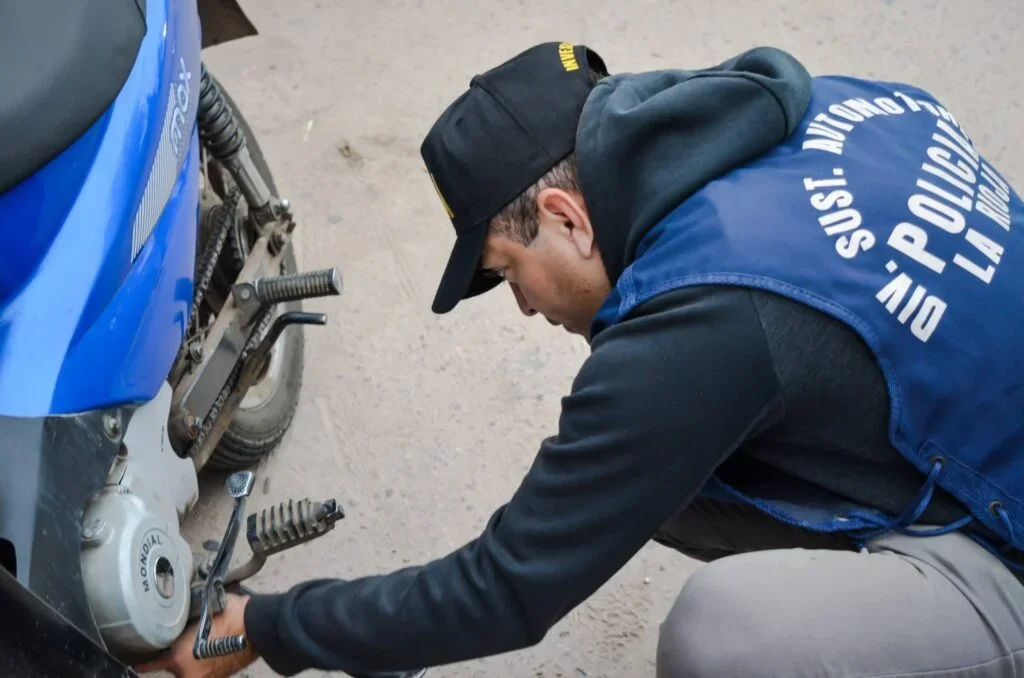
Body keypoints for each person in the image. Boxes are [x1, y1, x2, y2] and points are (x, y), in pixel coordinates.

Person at [139, 42, 1024, 678]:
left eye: (506, 272)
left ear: (566, 215)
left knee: (723, 637)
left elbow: (507, 590)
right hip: (980, 418)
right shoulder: (831, 107)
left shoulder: (701, 321)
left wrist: (268, 624)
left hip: (1007, 529)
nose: (524, 306)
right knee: (660, 480)